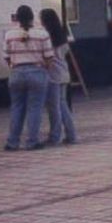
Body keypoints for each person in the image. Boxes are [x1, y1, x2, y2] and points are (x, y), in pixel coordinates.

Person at [2, 5, 53, 151]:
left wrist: (14, 66)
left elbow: (6, 56)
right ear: (32, 17)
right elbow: (49, 57)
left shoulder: (9, 34)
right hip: (36, 71)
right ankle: (32, 141)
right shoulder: (42, 34)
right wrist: (43, 68)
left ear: (17, 18)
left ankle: (12, 142)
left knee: (16, 107)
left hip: (17, 72)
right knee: (34, 108)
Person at [39, 9, 78, 147]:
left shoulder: (47, 38)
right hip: (63, 72)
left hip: (53, 74)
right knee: (62, 104)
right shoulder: (62, 36)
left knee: (54, 107)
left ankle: (55, 136)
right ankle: (71, 134)